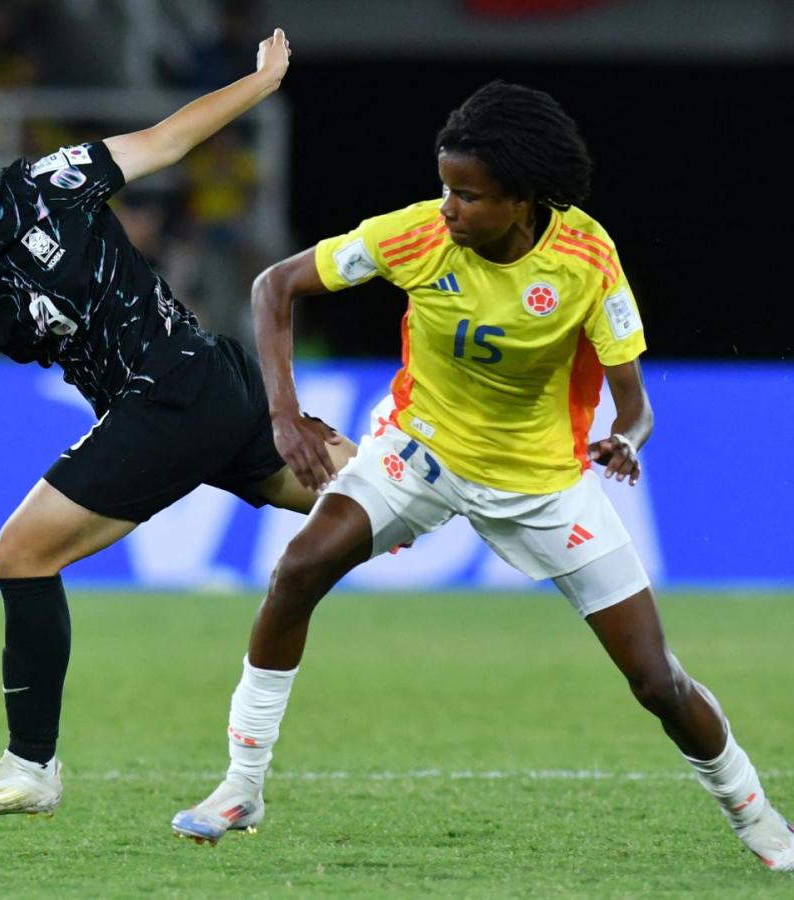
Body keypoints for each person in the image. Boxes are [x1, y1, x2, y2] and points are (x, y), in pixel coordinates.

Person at [172, 81, 794, 871]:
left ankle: (759, 818)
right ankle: (241, 784)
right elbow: (275, 287)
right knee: (297, 571)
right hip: (418, 454)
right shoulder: (416, 237)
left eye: (468, 195)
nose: (448, 209)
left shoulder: (585, 260)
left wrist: (626, 441)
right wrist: (284, 415)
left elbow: (634, 405)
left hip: (542, 486)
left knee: (654, 680)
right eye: (444, 188)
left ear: (523, 199)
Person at [0, 29, 357, 821]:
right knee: (386, 499)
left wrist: (261, 83)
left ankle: (30, 767)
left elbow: (166, 140)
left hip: (173, 391)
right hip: (205, 393)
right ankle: (511, 479)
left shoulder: (44, 186)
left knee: (21, 553)